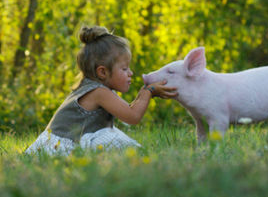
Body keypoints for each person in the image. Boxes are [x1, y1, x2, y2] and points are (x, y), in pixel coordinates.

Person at [25, 25, 178, 155]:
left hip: (69, 142)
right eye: (124, 69)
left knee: (111, 135)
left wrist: (144, 93)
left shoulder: (94, 88)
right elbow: (133, 117)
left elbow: (128, 109)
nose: (130, 73)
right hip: (60, 148)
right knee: (115, 140)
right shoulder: (98, 92)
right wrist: (148, 92)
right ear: (103, 72)